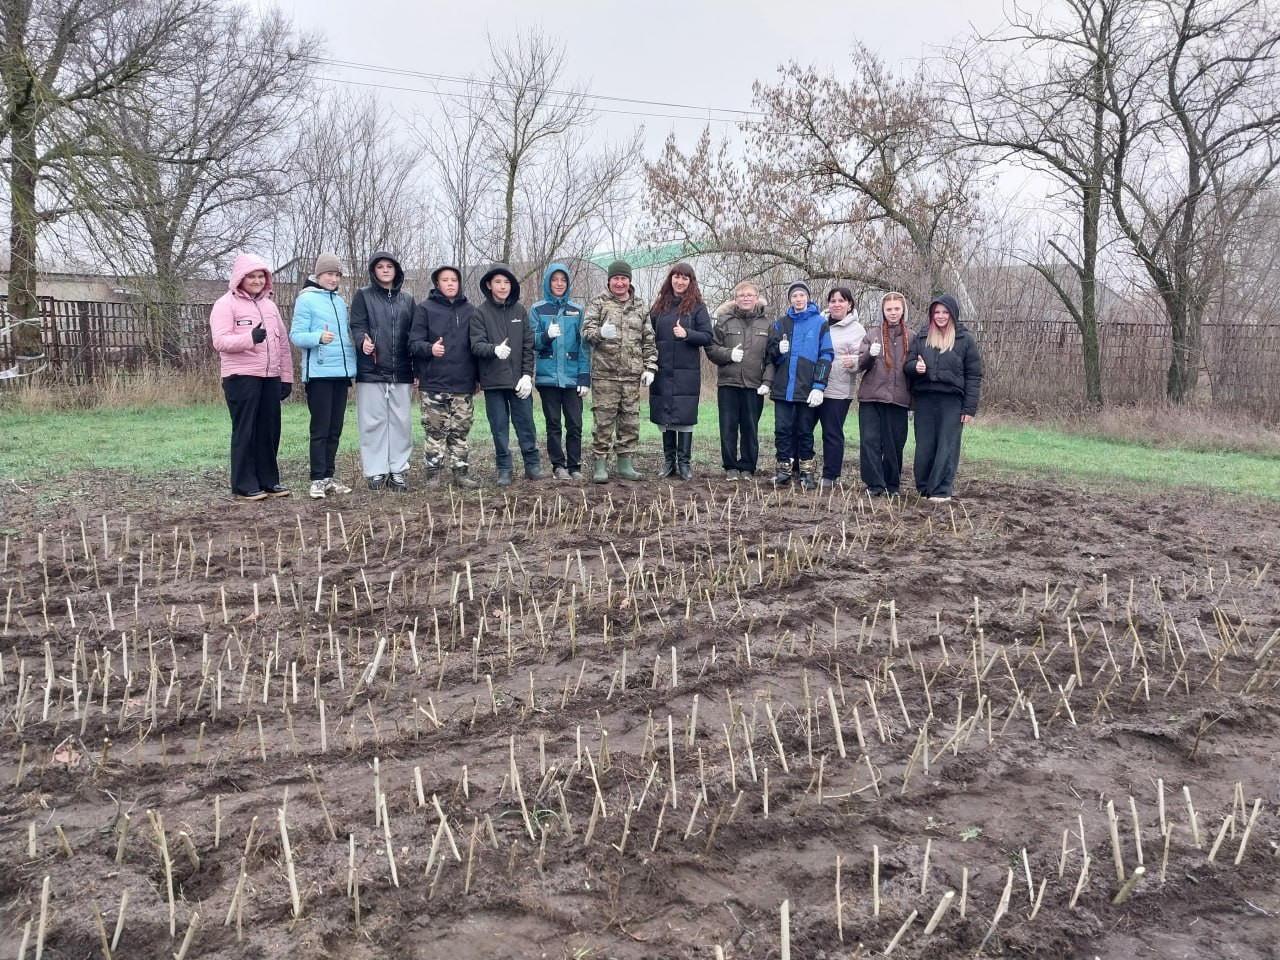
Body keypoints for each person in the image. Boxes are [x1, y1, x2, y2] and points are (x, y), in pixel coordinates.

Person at [210, 253, 293, 501]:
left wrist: (286, 377)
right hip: (241, 377)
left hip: (270, 377)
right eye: (252, 276)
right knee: (245, 430)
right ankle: (244, 484)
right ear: (240, 278)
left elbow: (283, 344)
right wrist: (249, 339)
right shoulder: (225, 304)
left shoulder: (270, 306)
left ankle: (268, 480)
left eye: (261, 276)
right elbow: (220, 341)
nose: (257, 281)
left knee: (269, 430)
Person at [582, 260, 656, 483]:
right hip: (605, 375)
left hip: (632, 376)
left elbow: (649, 340)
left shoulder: (641, 306)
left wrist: (650, 366)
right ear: (609, 280)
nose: (620, 283)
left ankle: (625, 465)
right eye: (616, 278)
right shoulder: (598, 302)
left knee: (630, 422)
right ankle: (600, 466)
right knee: (603, 422)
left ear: (629, 280)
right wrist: (599, 333)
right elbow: (586, 332)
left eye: (624, 278)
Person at [289, 252, 356, 500]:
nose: (333, 278)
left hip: (341, 373)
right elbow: (295, 335)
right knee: (320, 428)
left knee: (335, 429)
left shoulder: (339, 301)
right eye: (329, 274)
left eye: (337, 275)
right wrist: (317, 337)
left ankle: (329, 476)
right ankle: (317, 479)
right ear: (319, 275)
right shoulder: (306, 300)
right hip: (318, 374)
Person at [905, 293, 983, 502]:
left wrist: (969, 409)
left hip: (952, 402)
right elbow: (908, 365)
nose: (940, 316)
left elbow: (974, 375)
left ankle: (940, 490)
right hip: (925, 400)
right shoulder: (922, 337)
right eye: (936, 312)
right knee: (924, 446)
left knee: (946, 446)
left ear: (953, 315)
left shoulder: (964, 339)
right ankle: (923, 488)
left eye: (945, 312)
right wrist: (916, 367)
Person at [408, 264, 480, 489]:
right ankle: (433, 475)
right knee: (435, 430)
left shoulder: (470, 310)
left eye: (454, 280)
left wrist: (478, 378)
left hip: (463, 383)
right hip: (434, 382)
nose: (450, 283)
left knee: (460, 431)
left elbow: (477, 346)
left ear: (459, 284)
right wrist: (430, 349)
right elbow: (413, 343)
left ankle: (461, 473)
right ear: (437, 283)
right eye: (445, 280)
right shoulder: (425, 309)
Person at [469, 262, 541, 486]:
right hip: (493, 383)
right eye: (498, 282)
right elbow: (476, 345)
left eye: (507, 282)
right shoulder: (479, 313)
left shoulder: (520, 311)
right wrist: (494, 350)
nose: (503, 286)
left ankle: (532, 465)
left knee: (526, 424)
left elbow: (528, 345)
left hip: (519, 382)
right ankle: (504, 469)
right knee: (499, 428)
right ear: (489, 285)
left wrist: (527, 375)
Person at [349, 251, 415, 492]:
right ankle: (376, 471)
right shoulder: (363, 296)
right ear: (373, 271)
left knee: (401, 422)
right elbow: (357, 325)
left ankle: (397, 469)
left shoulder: (408, 300)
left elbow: (415, 335)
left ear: (396, 270)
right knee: (372, 422)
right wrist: (361, 342)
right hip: (372, 369)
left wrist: (416, 368)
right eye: (380, 266)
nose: (385, 270)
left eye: (390, 266)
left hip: (402, 371)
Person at [766, 281, 834, 491]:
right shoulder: (781, 323)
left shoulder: (819, 323)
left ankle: (807, 471)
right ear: (790, 300)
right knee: (782, 430)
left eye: (801, 295)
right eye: (794, 296)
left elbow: (827, 355)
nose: (798, 299)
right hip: (783, 387)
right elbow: (770, 355)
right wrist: (778, 349)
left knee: (805, 431)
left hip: (807, 388)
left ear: (808, 298)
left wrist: (819, 385)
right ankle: (783, 470)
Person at [649, 262, 713, 480]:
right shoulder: (659, 307)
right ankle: (669, 462)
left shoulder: (698, 308)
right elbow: (648, 336)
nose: (680, 281)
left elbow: (707, 336)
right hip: (662, 370)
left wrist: (687, 333)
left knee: (684, 417)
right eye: (676, 277)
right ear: (671, 279)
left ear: (690, 282)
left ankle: (684, 463)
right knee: (665, 416)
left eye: (685, 278)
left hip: (687, 372)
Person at [706, 281, 774, 480]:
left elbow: (772, 356)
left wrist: (767, 382)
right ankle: (731, 467)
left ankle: (747, 467)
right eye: (741, 295)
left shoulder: (767, 324)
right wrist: (728, 355)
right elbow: (711, 348)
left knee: (750, 428)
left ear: (756, 298)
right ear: (735, 299)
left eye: (749, 295)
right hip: (728, 383)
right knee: (728, 427)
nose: (745, 298)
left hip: (754, 385)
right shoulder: (723, 321)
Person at [530, 263, 590, 480]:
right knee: (553, 424)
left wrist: (585, 377)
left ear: (567, 283)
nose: (559, 284)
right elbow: (532, 342)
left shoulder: (577, 310)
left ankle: (575, 466)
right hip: (548, 379)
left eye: (562, 280)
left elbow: (584, 347)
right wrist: (546, 335)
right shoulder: (538, 309)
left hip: (573, 378)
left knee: (575, 424)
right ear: (548, 282)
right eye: (554, 280)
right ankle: (558, 466)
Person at [857, 292, 912, 496]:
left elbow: (914, 370)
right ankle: (874, 484)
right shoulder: (872, 334)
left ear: (903, 310)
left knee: (894, 444)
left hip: (898, 400)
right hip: (871, 397)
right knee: (870, 442)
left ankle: (892, 485)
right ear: (883, 311)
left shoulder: (912, 337)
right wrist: (869, 355)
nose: (893, 313)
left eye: (897, 309)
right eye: (889, 309)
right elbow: (859, 365)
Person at [817, 287, 866, 489]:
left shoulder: (857, 330)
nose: (836, 304)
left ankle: (830, 474)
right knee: (801, 429)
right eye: (833, 300)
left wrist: (852, 361)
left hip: (838, 389)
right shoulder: (818, 323)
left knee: (832, 432)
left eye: (841, 301)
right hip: (813, 388)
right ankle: (800, 468)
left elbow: (864, 358)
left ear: (850, 304)